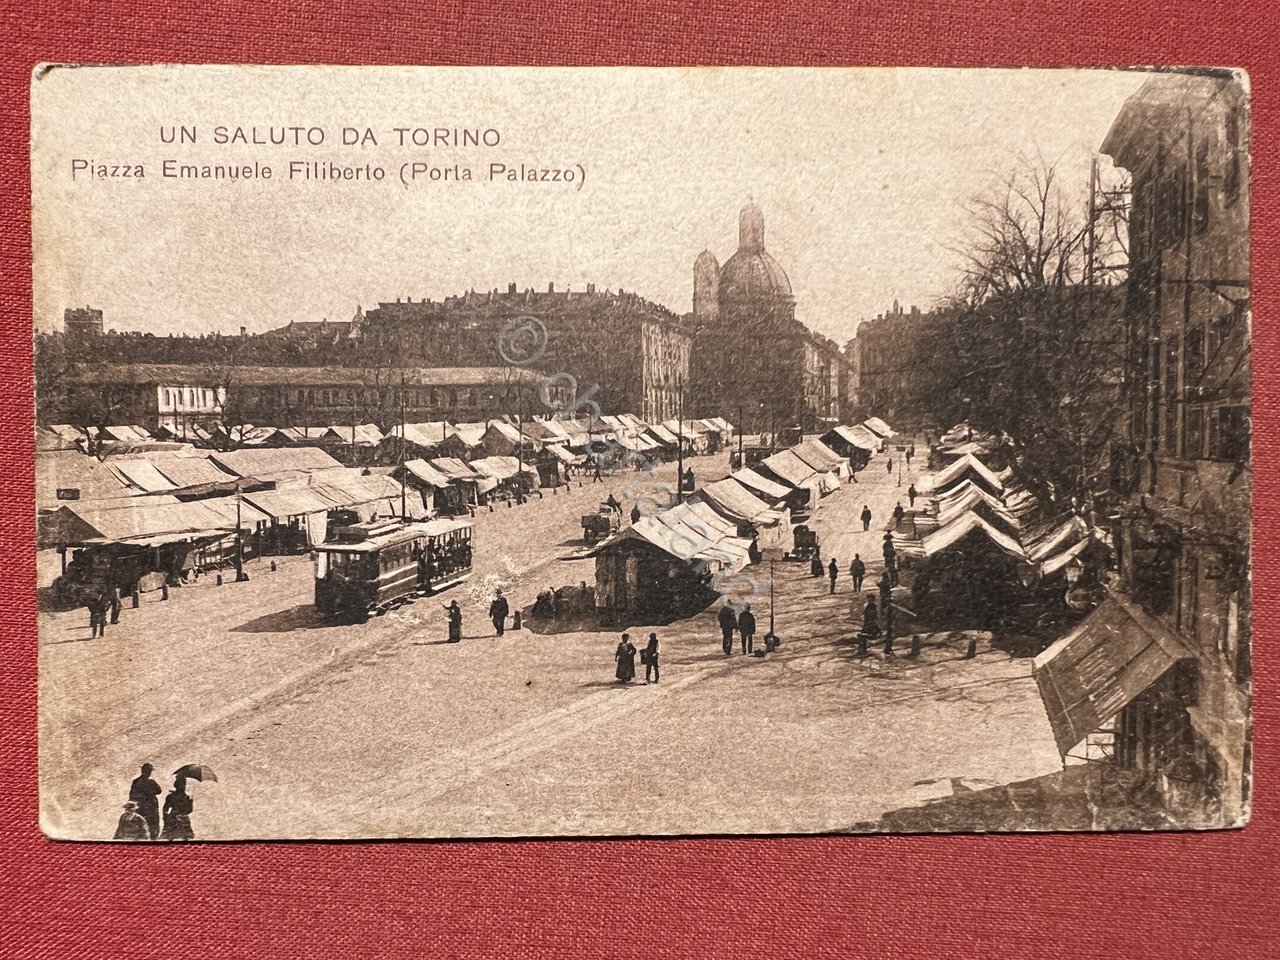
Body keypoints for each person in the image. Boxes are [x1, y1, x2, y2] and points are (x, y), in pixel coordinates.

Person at [128, 763, 162, 839]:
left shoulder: (146, 781)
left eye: (149, 771)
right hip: (146, 807)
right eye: (148, 771)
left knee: (149, 826)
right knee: (146, 825)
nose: (149, 773)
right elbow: (132, 795)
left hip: (147, 807)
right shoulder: (140, 781)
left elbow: (159, 791)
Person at [161, 776, 195, 841]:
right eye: (181, 785)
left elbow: (189, 810)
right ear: (177, 786)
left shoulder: (183, 797)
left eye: (184, 785)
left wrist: (190, 802)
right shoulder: (182, 797)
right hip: (178, 819)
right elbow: (189, 810)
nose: (183, 787)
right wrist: (166, 818)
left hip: (176, 818)